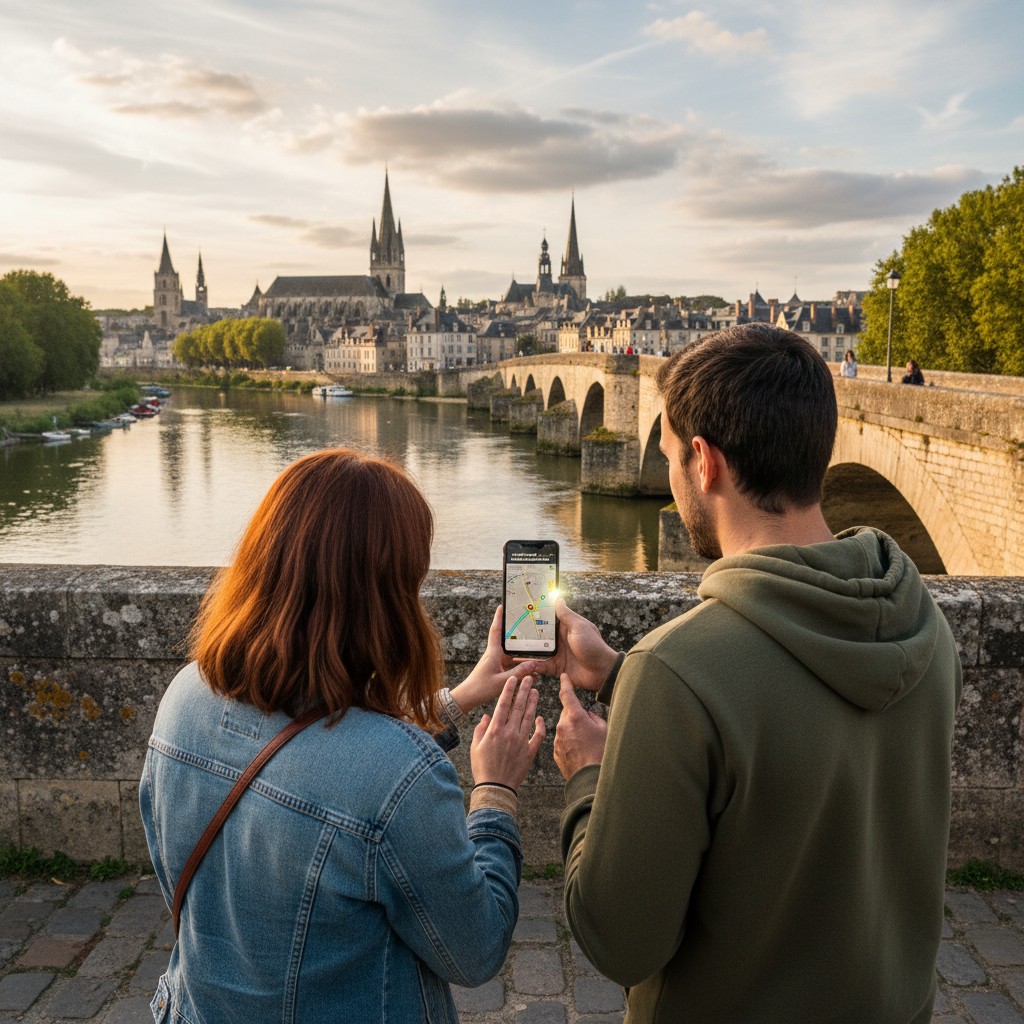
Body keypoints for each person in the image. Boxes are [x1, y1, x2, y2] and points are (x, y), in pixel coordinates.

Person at [519, 323, 961, 1023]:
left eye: (666, 455)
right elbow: (784, 711)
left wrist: (587, 775)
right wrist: (625, 678)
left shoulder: (679, 672)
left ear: (705, 462)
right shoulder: (923, 624)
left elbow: (618, 940)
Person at [140, 449, 545, 1024]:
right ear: (383, 601)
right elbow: (476, 949)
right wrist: (496, 791)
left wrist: (457, 700)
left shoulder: (184, 698)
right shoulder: (396, 774)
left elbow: (318, 747)